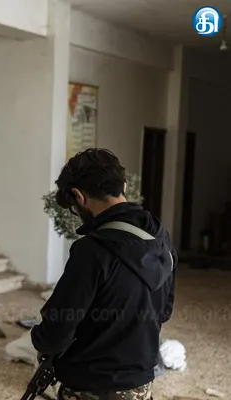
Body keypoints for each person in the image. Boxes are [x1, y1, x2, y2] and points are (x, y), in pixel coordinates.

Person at [31, 149, 176, 400]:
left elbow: (57, 331)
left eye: (74, 208)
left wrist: (39, 337)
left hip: (90, 386)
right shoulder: (161, 239)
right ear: (124, 186)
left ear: (79, 196)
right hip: (140, 385)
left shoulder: (91, 251)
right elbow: (164, 311)